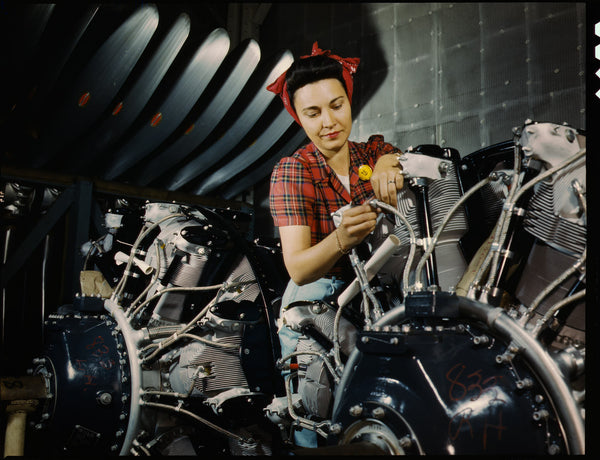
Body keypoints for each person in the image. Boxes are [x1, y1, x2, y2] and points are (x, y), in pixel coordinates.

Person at [267, 42, 404, 447]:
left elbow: (394, 158)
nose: (329, 122)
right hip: (317, 307)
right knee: (320, 422)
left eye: (337, 105)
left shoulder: (372, 151)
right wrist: (342, 238)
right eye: (313, 113)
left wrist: (388, 163)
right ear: (298, 117)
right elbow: (299, 267)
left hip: (374, 298)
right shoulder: (294, 171)